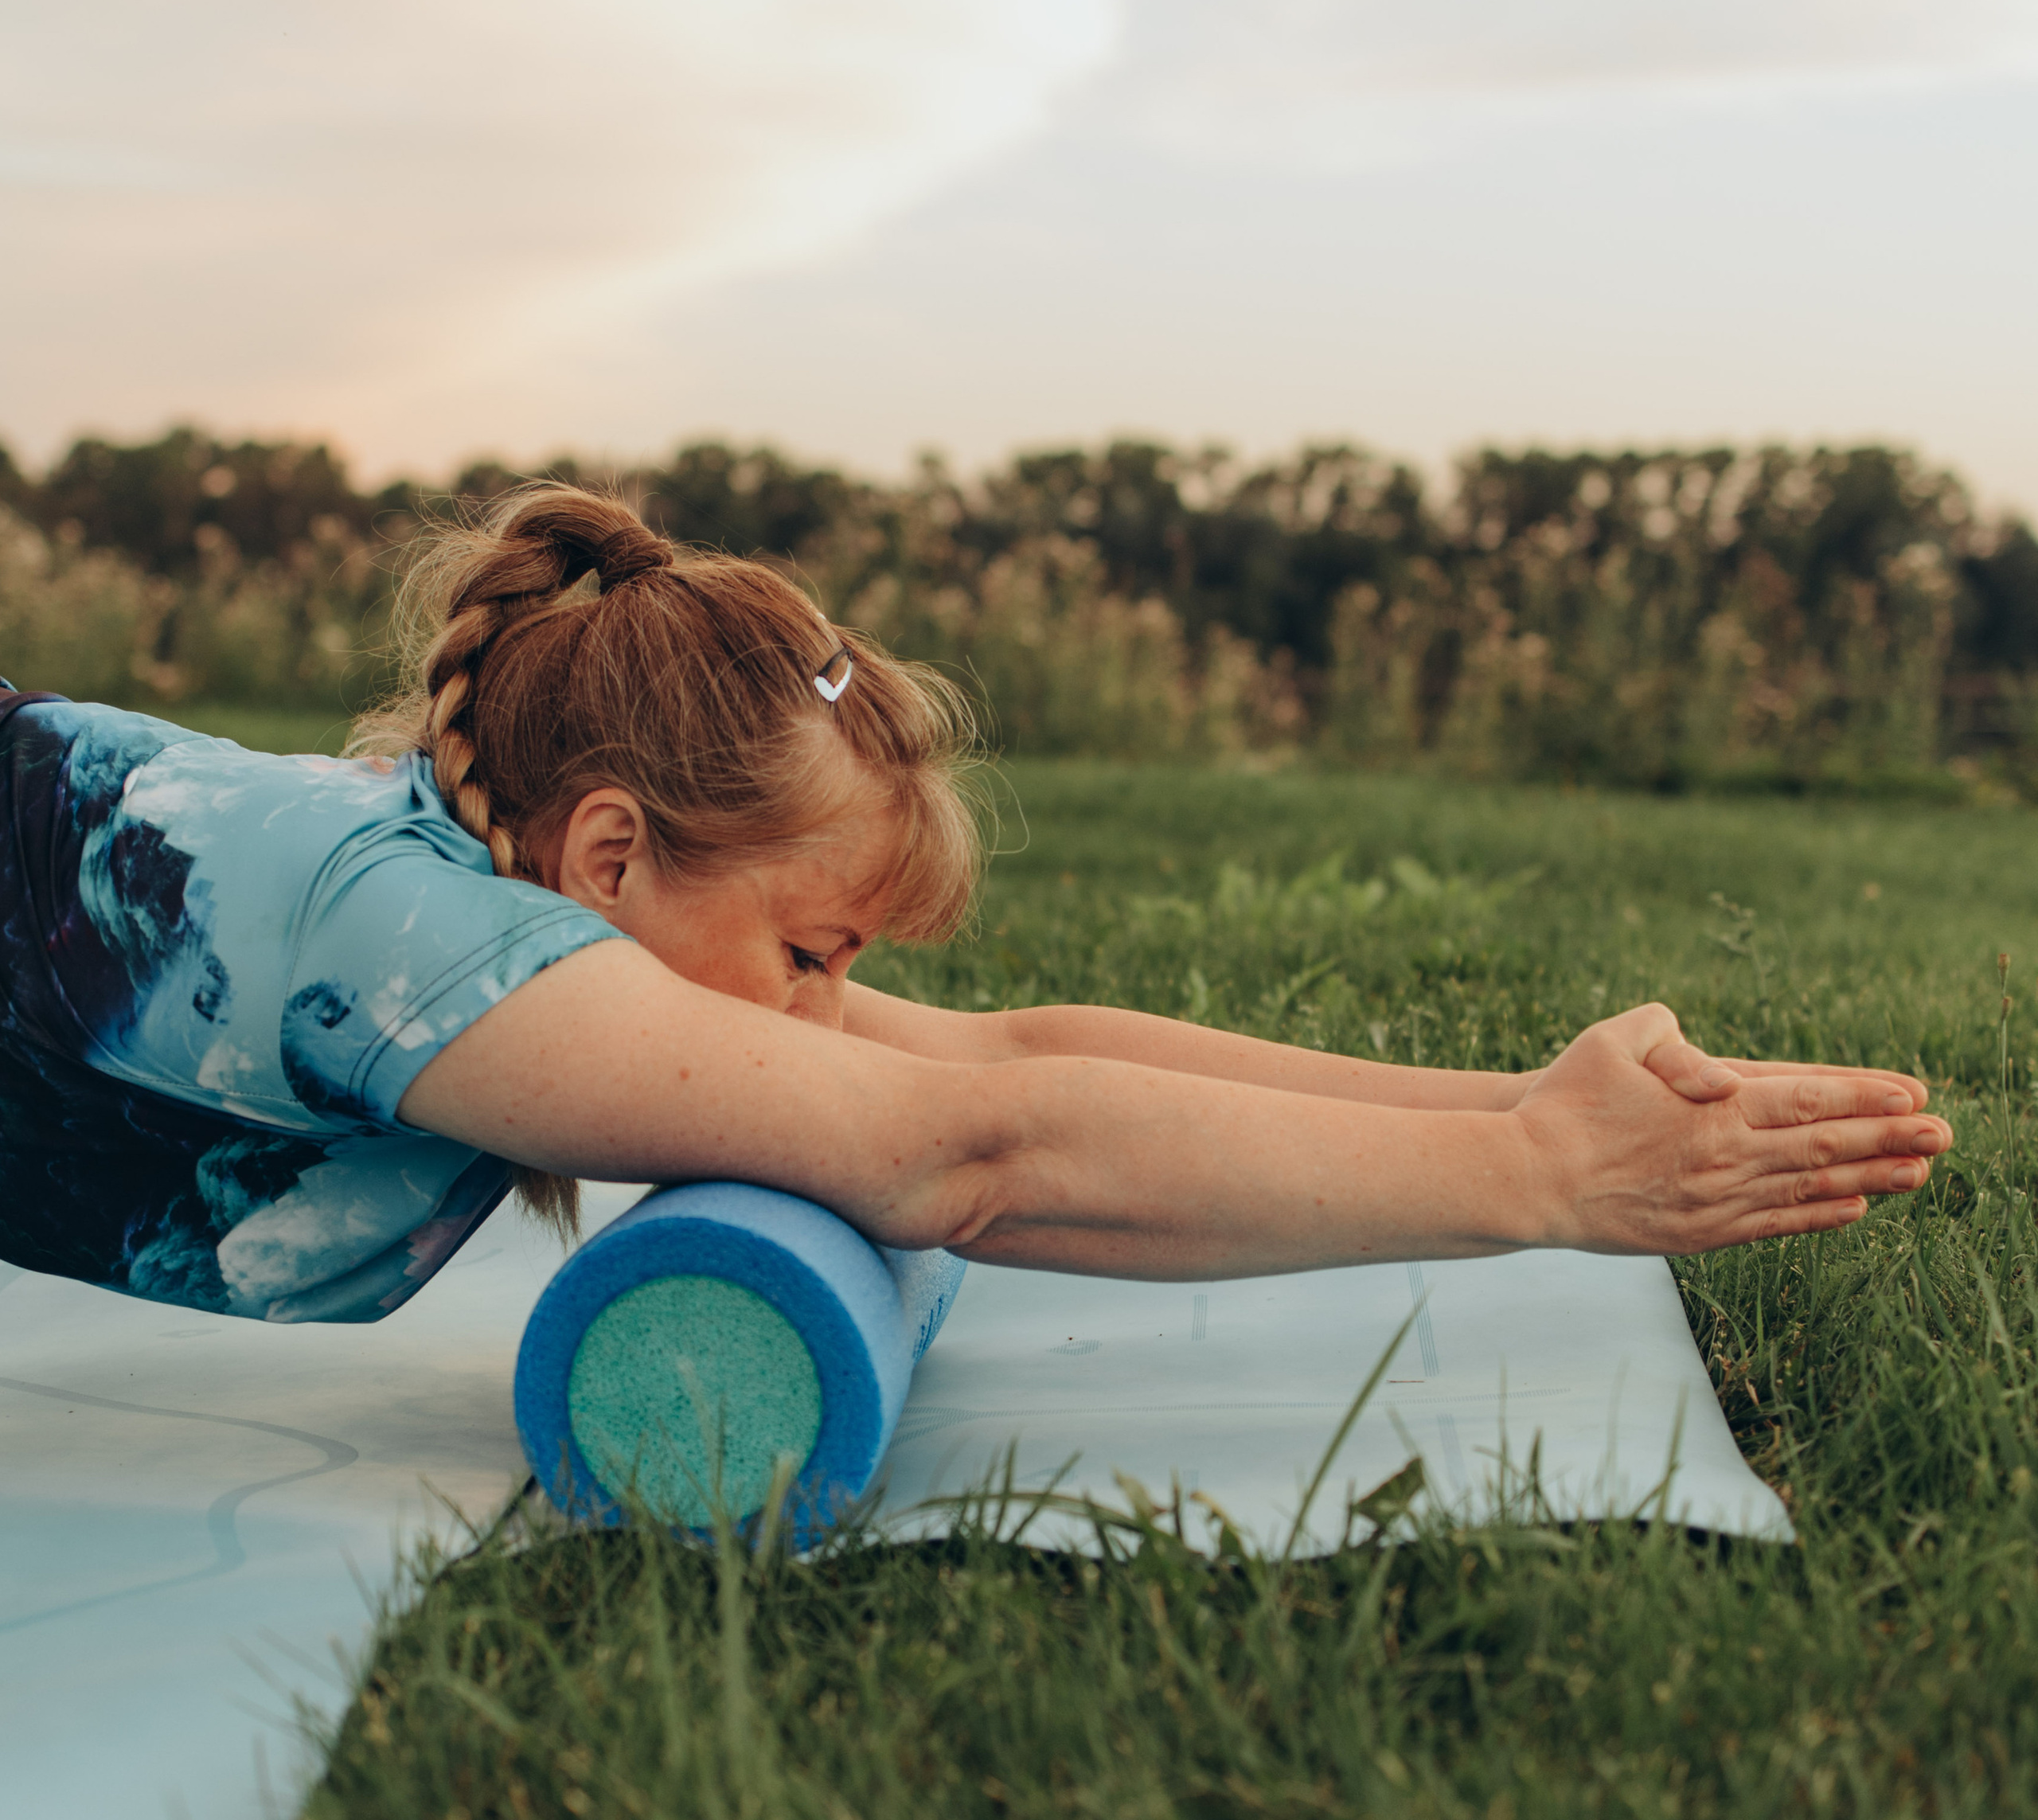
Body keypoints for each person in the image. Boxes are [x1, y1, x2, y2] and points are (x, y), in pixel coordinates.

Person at [0, 486, 1947, 1326]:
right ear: (612, 859)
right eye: (807, 951)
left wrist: (1507, 1105)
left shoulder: (490, 898)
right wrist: (1540, 1187)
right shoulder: (417, 940)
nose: (824, 1014)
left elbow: (1011, 1060)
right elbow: (970, 1159)